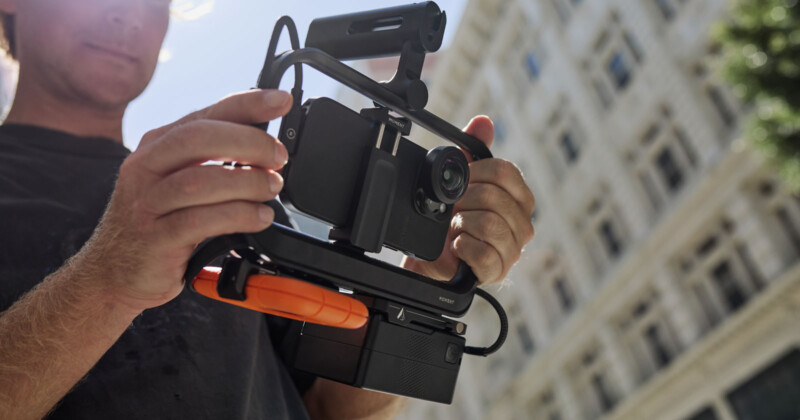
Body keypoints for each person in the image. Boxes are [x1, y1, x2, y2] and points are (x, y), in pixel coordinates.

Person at [0, 0, 536, 419]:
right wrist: (104, 280)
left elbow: (329, 413)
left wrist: (419, 288)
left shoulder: (234, 195)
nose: (125, 14)